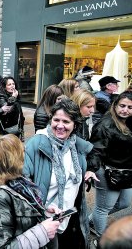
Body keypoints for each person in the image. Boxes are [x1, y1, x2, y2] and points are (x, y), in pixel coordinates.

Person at [23, 99, 96, 248]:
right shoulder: (35, 144)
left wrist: (89, 170)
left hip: (70, 218)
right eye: (56, 120)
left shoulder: (77, 146)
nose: (60, 126)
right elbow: (22, 184)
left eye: (66, 121)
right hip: (43, 220)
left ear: (75, 124)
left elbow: (96, 154)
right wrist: (41, 210)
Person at [0, 135, 60, 248]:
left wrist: (43, 213)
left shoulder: (17, 183)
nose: (24, 154)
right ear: (11, 161)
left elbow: (19, 216)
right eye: (22, 151)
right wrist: (42, 232)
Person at [87, 91, 132, 241]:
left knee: (124, 203)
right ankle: (102, 240)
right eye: (122, 106)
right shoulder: (105, 124)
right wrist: (91, 170)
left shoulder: (129, 121)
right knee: (103, 208)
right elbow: (95, 150)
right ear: (115, 105)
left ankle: (89, 220)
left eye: (130, 107)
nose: (125, 110)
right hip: (106, 171)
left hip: (125, 171)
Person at [0, 76, 25, 141]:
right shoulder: (1, 97)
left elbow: (20, 114)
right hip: (6, 129)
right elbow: (7, 108)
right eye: (9, 84)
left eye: (13, 84)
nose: (12, 86)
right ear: (4, 87)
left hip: (16, 128)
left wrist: (22, 130)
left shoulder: (15, 95)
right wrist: (13, 97)